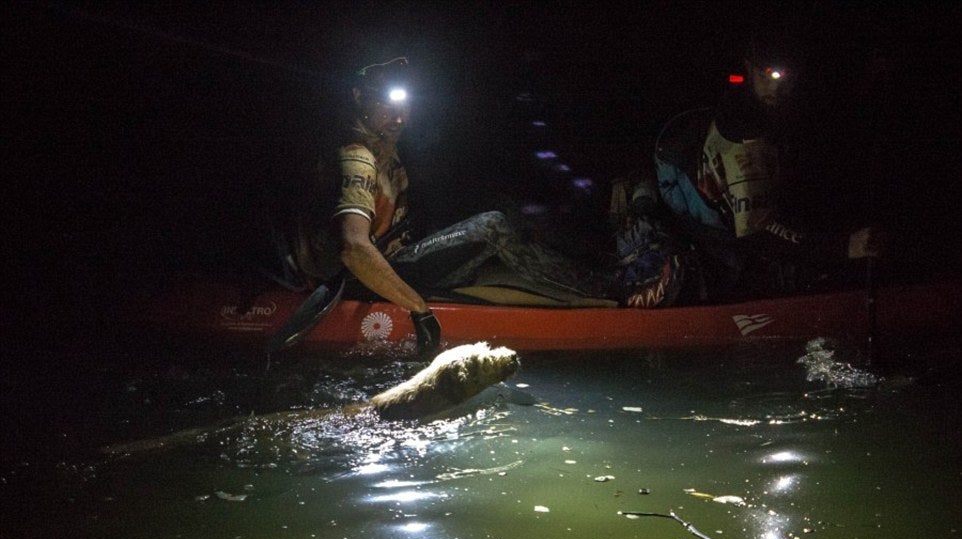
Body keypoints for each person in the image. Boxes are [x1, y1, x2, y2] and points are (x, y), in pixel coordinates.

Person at [290, 57, 623, 352]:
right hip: (363, 278)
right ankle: (610, 288)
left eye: (404, 106)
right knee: (492, 224)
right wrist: (418, 307)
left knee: (494, 219)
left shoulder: (387, 151)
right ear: (360, 99)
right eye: (386, 105)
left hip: (395, 260)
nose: (400, 117)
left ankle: (590, 280)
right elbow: (355, 249)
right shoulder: (358, 156)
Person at [645, 34, 882, 302]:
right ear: (749, 68)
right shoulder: (745, 138)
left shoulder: (784, 110)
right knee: (745, 268)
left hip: (729, 186)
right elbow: (758, 231)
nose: (776, 86)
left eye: (785, 76)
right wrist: (843, 247)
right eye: (767, 75)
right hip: (690, 199)